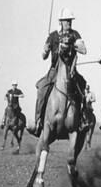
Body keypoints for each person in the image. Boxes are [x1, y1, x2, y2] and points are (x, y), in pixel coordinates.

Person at [27, 7, 87, 137]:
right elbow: (43, 56)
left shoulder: (75, 34)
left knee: (83, 87)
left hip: (71, 70)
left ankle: (82, 120)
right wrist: (45, 49)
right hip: (54, 70)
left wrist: (71, 44)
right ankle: (38, 121)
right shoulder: (53, 35)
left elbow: (84, 50)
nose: (69, 23)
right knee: (41, 88)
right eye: (66, 21)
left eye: (70, 20)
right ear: (61, 21)